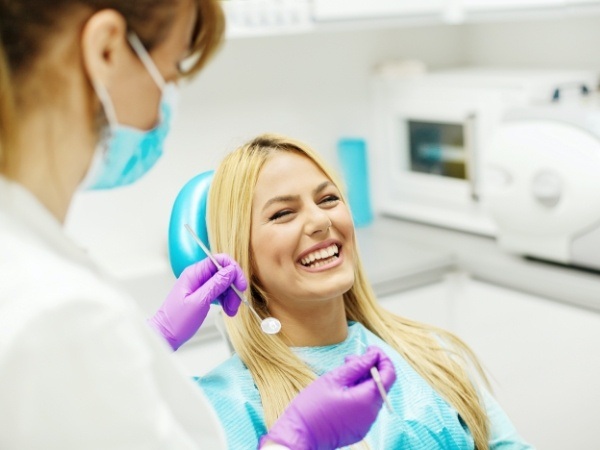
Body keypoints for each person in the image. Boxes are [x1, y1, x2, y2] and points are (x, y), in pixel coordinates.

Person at [0, 1, 396, 448]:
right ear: (107, 50)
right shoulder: (59, 312)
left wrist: (152, 338)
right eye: (169, 75)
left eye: (328, 199)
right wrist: (292, 442)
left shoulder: (30, 267)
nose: (162, 111)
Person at [200, 133, 535, 449]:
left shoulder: (430, 354)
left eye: (329, 199)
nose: (320, 221)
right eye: (283, 213)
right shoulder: (224, 404)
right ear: (241, 254)